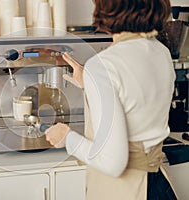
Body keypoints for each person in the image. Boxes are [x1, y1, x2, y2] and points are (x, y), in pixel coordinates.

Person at [44, 0, 178, 199]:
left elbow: (113, 163)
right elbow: (136, 96)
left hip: (125, 191)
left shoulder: (103, 66)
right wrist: (91, 84)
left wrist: (67, 138)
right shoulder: (161, 51)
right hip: (157, 186)